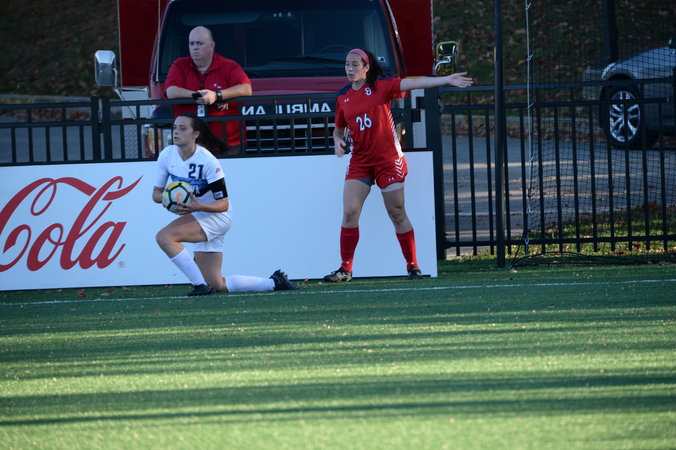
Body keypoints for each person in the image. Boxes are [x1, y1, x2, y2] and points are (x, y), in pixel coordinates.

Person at [323, 48, 473, 282]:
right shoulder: (343, 96)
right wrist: (338, 142)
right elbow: (338, 130)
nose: (350, 69)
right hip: (360, 162)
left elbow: (413, 83)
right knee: (350, 212)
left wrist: (445, 79)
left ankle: (413, 266)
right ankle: (345, 269)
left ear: (366, 67)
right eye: (347, 64)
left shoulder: (381, 87)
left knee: (397, 213)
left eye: (355, 64)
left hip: (388, 162)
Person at [153, 112, 297, 296]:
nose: (176, 132)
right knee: (217, 283)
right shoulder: (166, 155)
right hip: (197, 215)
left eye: (183, 128)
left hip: (217, 216)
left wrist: (198, 206)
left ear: (195, 134)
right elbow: (156, 194)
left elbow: (223, 204)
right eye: (174, 127)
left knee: (164, 237)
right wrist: (169, 199)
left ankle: (200, 286)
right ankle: (274, 283)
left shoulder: (207, 161)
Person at [165, 26, 252, 155]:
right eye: (191, 43)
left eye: (199, 43)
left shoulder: (229, 66)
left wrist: (217, 96)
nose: (195, 48)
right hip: (190, 147)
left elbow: (246, 88)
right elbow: (171, 91)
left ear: (212, 45)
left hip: (228, 145)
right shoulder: (179, 65)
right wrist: (198, 96)